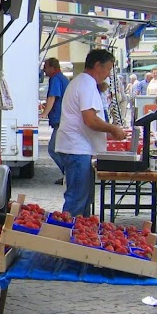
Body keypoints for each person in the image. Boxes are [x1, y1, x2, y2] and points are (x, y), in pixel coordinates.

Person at [56, 49, 126, 217]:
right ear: (97, 65)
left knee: (83, 199)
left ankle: (77, 235)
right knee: (77, 200)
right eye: (108, 69)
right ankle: (67, 237)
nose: (108, 74)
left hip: (78, 148)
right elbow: (90, 119)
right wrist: (112, 128)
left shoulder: (83, 82)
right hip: (77, 149)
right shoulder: (86, 84)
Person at [41, 57, 70, 184]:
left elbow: (53, 97)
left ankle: (68, 174)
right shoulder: (63, 78)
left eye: (45, 67)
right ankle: (68, 174)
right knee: (61, 149)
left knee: (53, 149)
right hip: (64, 118)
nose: (44, 70)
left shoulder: (56, 79)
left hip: (61, 119)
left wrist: (44, 114)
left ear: (52, 68)